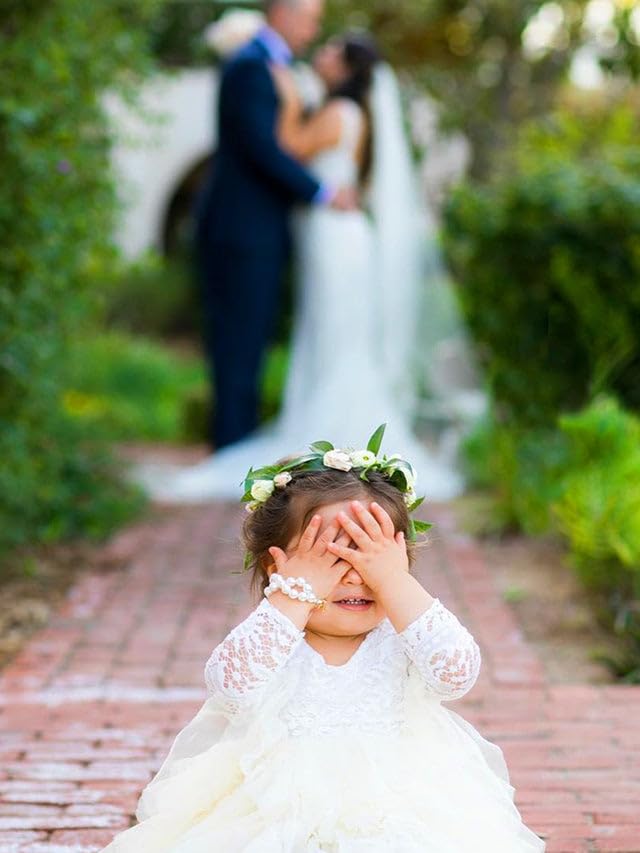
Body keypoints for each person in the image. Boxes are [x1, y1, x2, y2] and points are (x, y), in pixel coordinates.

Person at [102, 426, 545, 851]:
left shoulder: (404, 635)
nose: (356, 575)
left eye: (374, 558)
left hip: (401, 803)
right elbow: (229, 686)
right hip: (276, 803)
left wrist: (395, 585)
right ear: (279, 569)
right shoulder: (275, 637)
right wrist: (295, 596)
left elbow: (457, 674)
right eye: (330, 557)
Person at [137, 32, 464, 503]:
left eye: (334, 52)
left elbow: (289, 145)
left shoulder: (337, 113)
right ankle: (324, 436)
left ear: (348, 70)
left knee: (335, 337)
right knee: (328, 334)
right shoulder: (346, 112)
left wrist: (288, 95)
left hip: (334, 240)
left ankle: (334, 436)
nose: (323, 55)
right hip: (333, 238)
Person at [194, 0, 356, 451]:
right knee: (237, 346)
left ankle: (235, 449)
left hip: (259, 230)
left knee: (250, 344)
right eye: (309, 20)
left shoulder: (272, 65)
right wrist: (322, 192)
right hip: (241, 231)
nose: (313, 31)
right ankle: (230, 452)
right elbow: (262, 150)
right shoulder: (250, 66)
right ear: (283, 13)